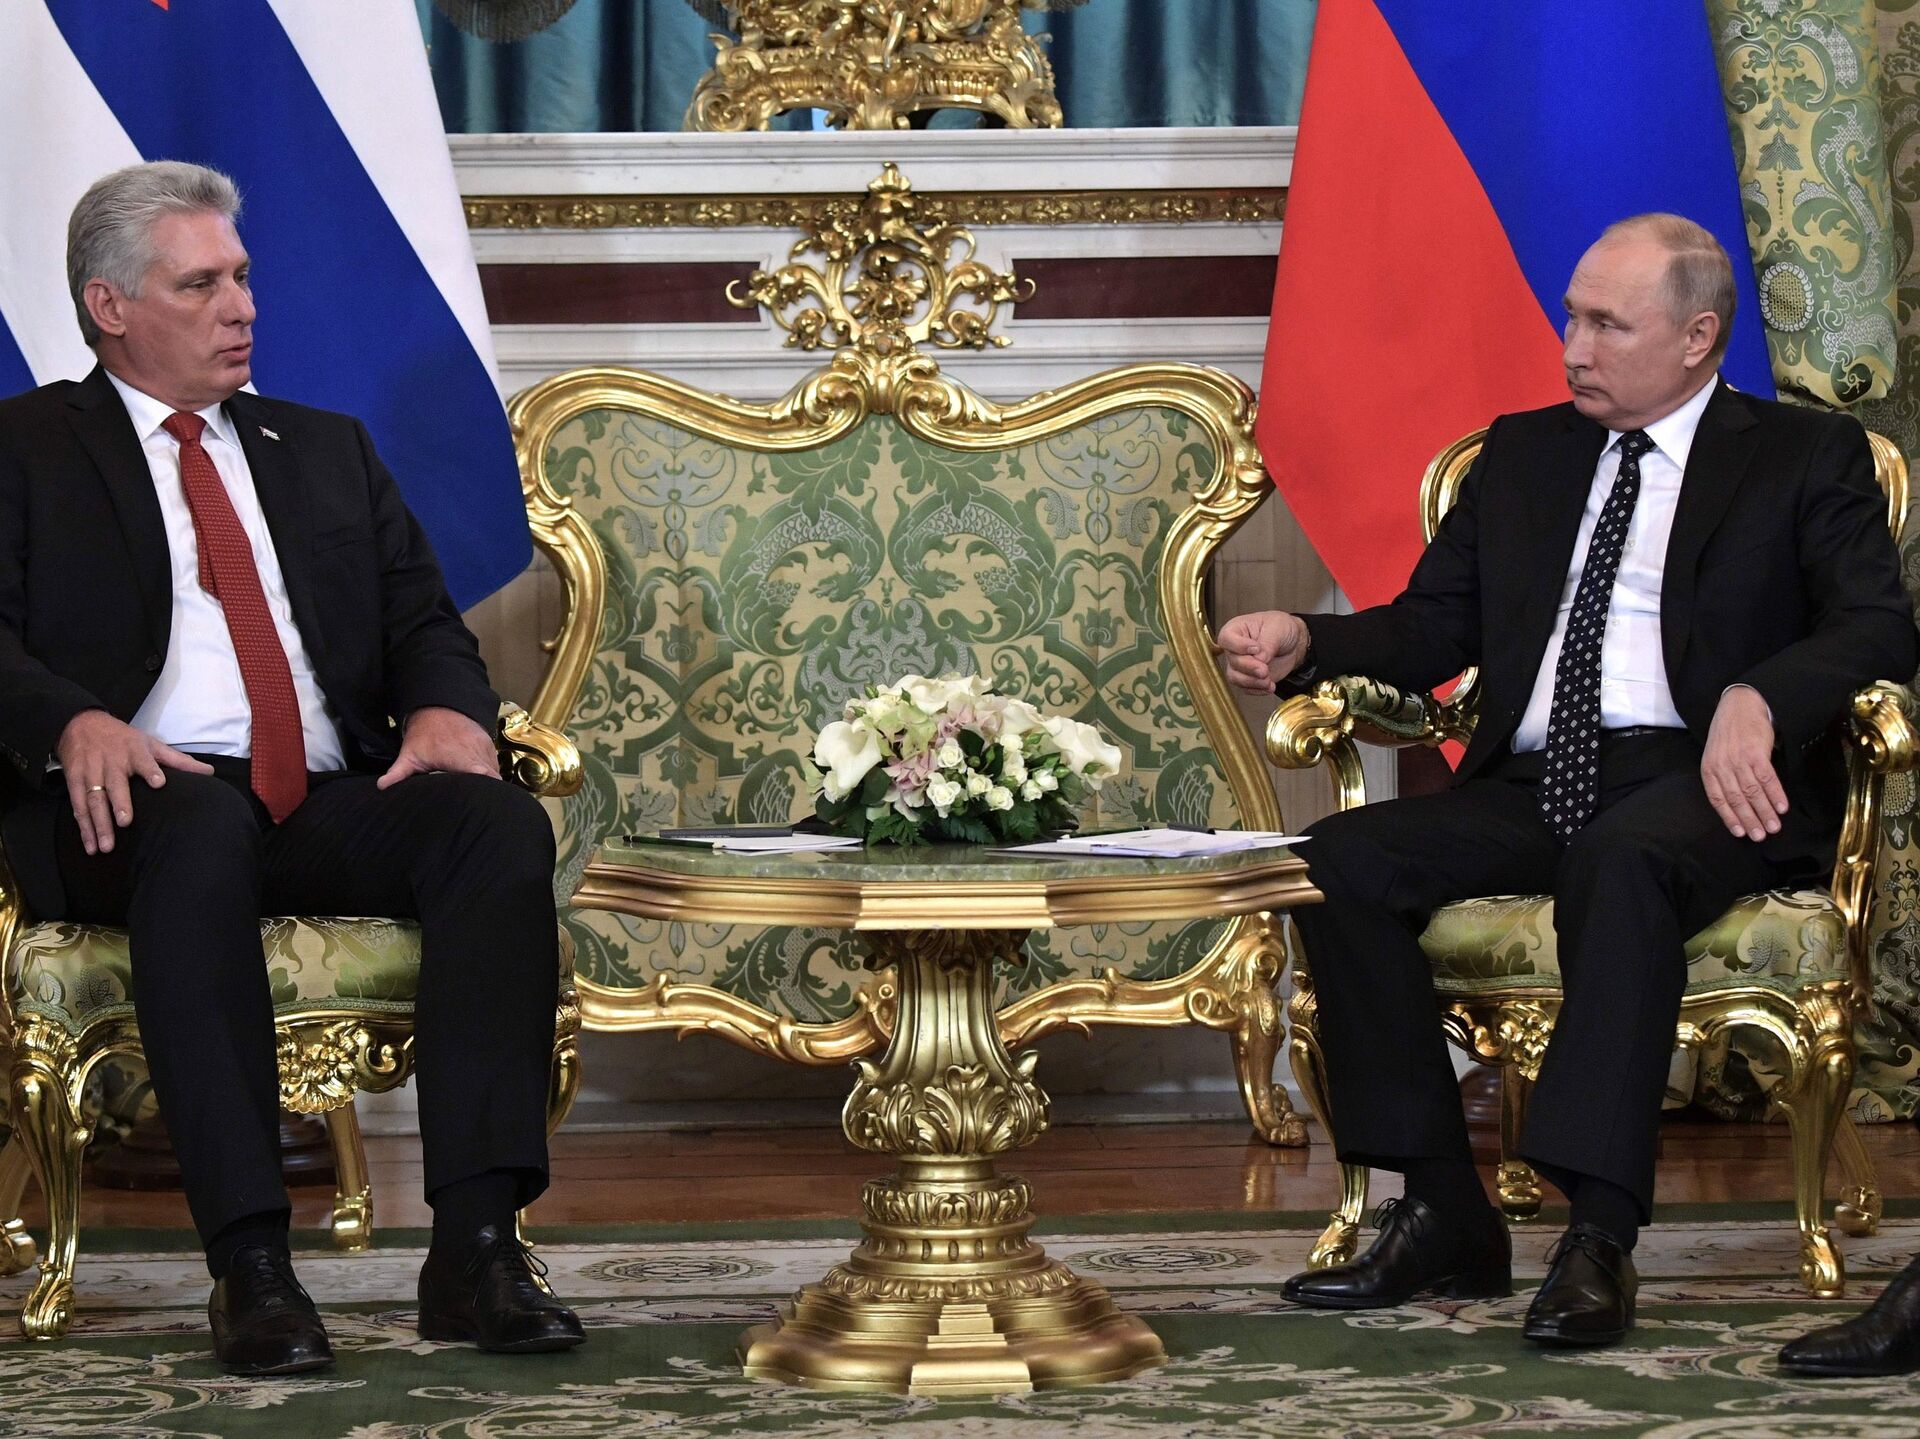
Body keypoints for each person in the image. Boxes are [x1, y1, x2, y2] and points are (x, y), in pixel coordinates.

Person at [1223, 213, 1917, 1348]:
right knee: (1339, 860)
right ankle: (1441, 1207)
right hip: (1535, 779)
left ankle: (1598, 1236)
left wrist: (1761, 694)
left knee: (1623, 857)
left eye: (1607, 325)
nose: (1573, 349)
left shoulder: (1800, 454)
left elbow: (1877, 623)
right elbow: (1434, 624)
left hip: (1701, 780)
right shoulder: (1526, 453)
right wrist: (1311, 638)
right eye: (1571, 319)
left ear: (1697, 337)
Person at [0, 162, 584, 1374]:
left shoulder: (323, 447)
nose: (242, 306)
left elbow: (423, 618)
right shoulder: (24, 446)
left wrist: (446, 709)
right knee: (199, 823)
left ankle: (476, 1248)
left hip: (318, 799)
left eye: (243, 276)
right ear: (111, 306)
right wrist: (72, 719)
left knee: (494, 827)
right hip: (126, 806)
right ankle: (253, 1265)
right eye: (201, 283)